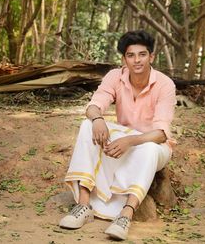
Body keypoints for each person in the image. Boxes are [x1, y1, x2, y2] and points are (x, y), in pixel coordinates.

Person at [59, 30, 176, 240]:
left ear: (151, 56)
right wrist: (98, 119)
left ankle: (125, 215)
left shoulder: (165, 84)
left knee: (149, 148)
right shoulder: (115, 76)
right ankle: (83, 207)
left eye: (142, 54)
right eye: (131, 55)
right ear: (124, 59)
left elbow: (161, 134)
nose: (137, 60)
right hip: (126, 137)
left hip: (153, 145)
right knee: (87, 125)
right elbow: (94, 106)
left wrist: (130, 141)